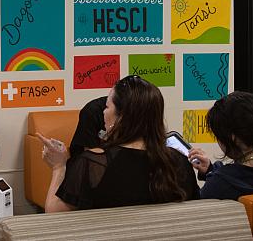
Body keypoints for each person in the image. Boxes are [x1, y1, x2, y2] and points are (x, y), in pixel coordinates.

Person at [37, 75, 199, 212]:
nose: (103, 112)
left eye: (107, 106)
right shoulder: (179, 161)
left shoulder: (94, 164)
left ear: (120, 117)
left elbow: (54, 212)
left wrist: (59, 167)